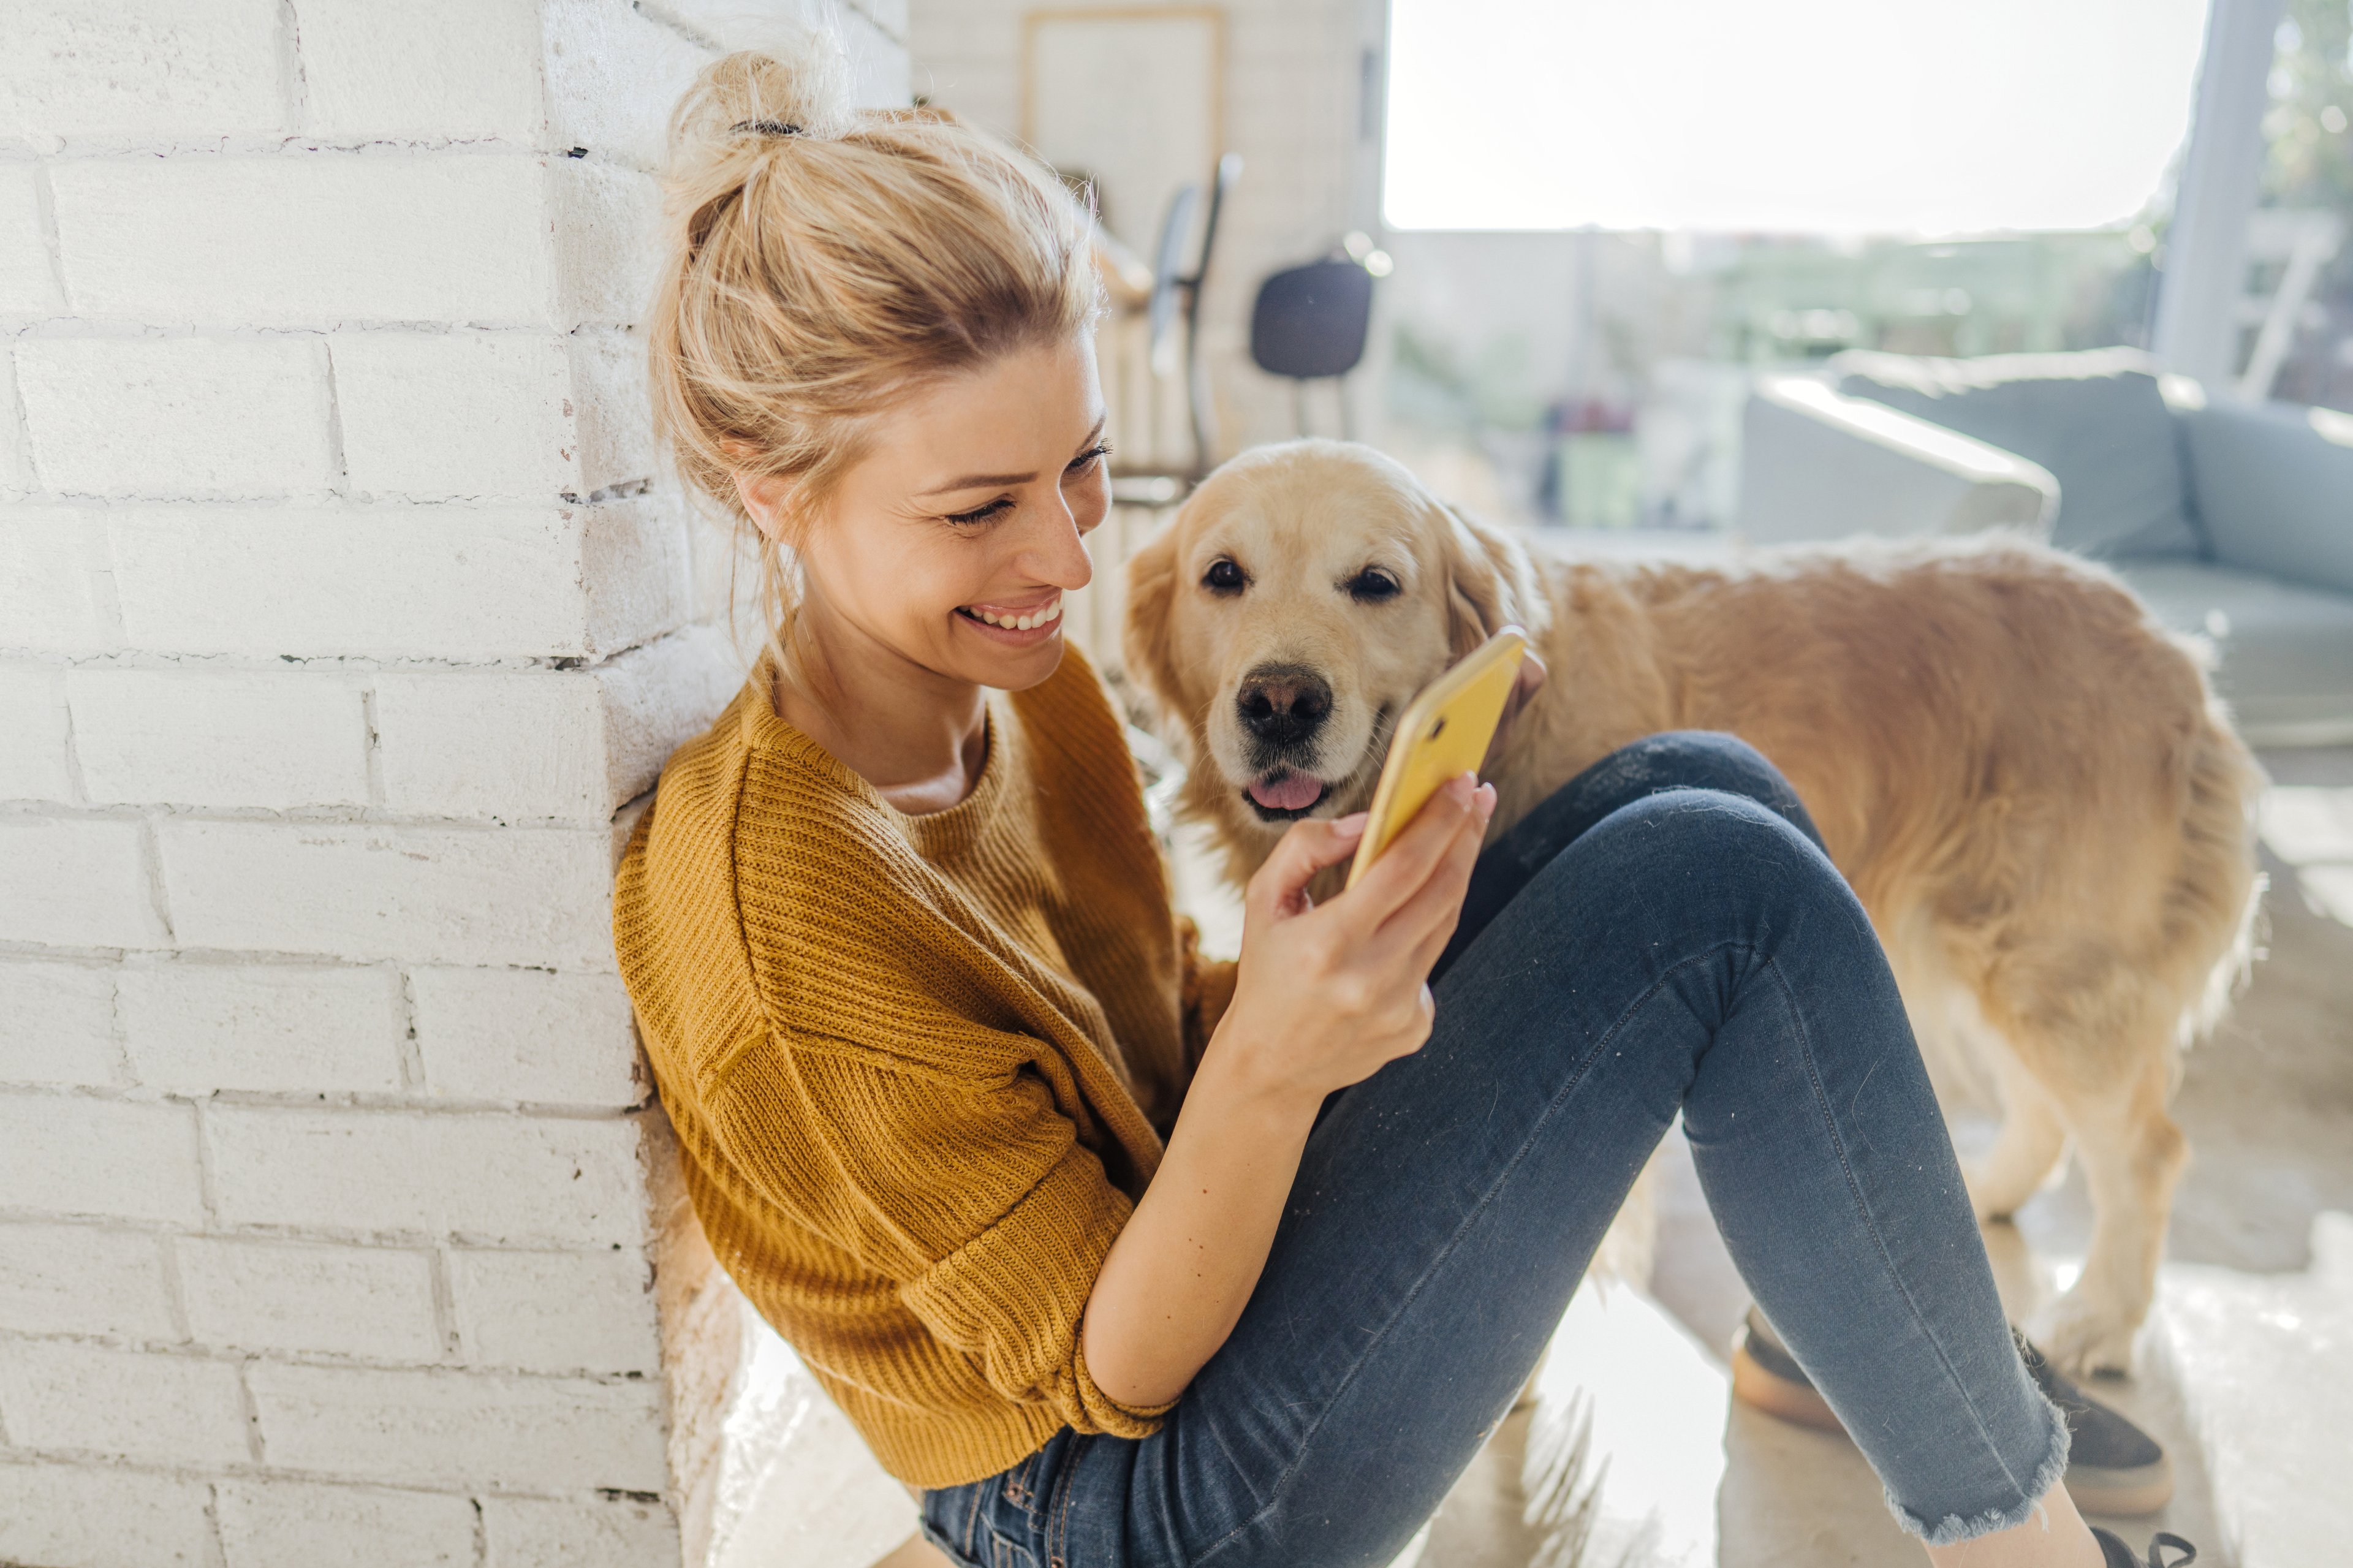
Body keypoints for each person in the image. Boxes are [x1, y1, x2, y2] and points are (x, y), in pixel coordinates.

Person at [613, 37, 2196, 1568]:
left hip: (1196, 1306)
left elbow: (1142, 1030)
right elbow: (1112, 1372)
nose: (1068, 560)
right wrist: (1282, 1062)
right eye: (979, 508)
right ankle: (2025, 1550)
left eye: (1080, 470)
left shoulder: (1022, 696)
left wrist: (1297, 985)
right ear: (776, 493)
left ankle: (1884, 1368)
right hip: (1120, 1502)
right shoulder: (785, 904)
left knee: (1693, 789)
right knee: (1709, 886)